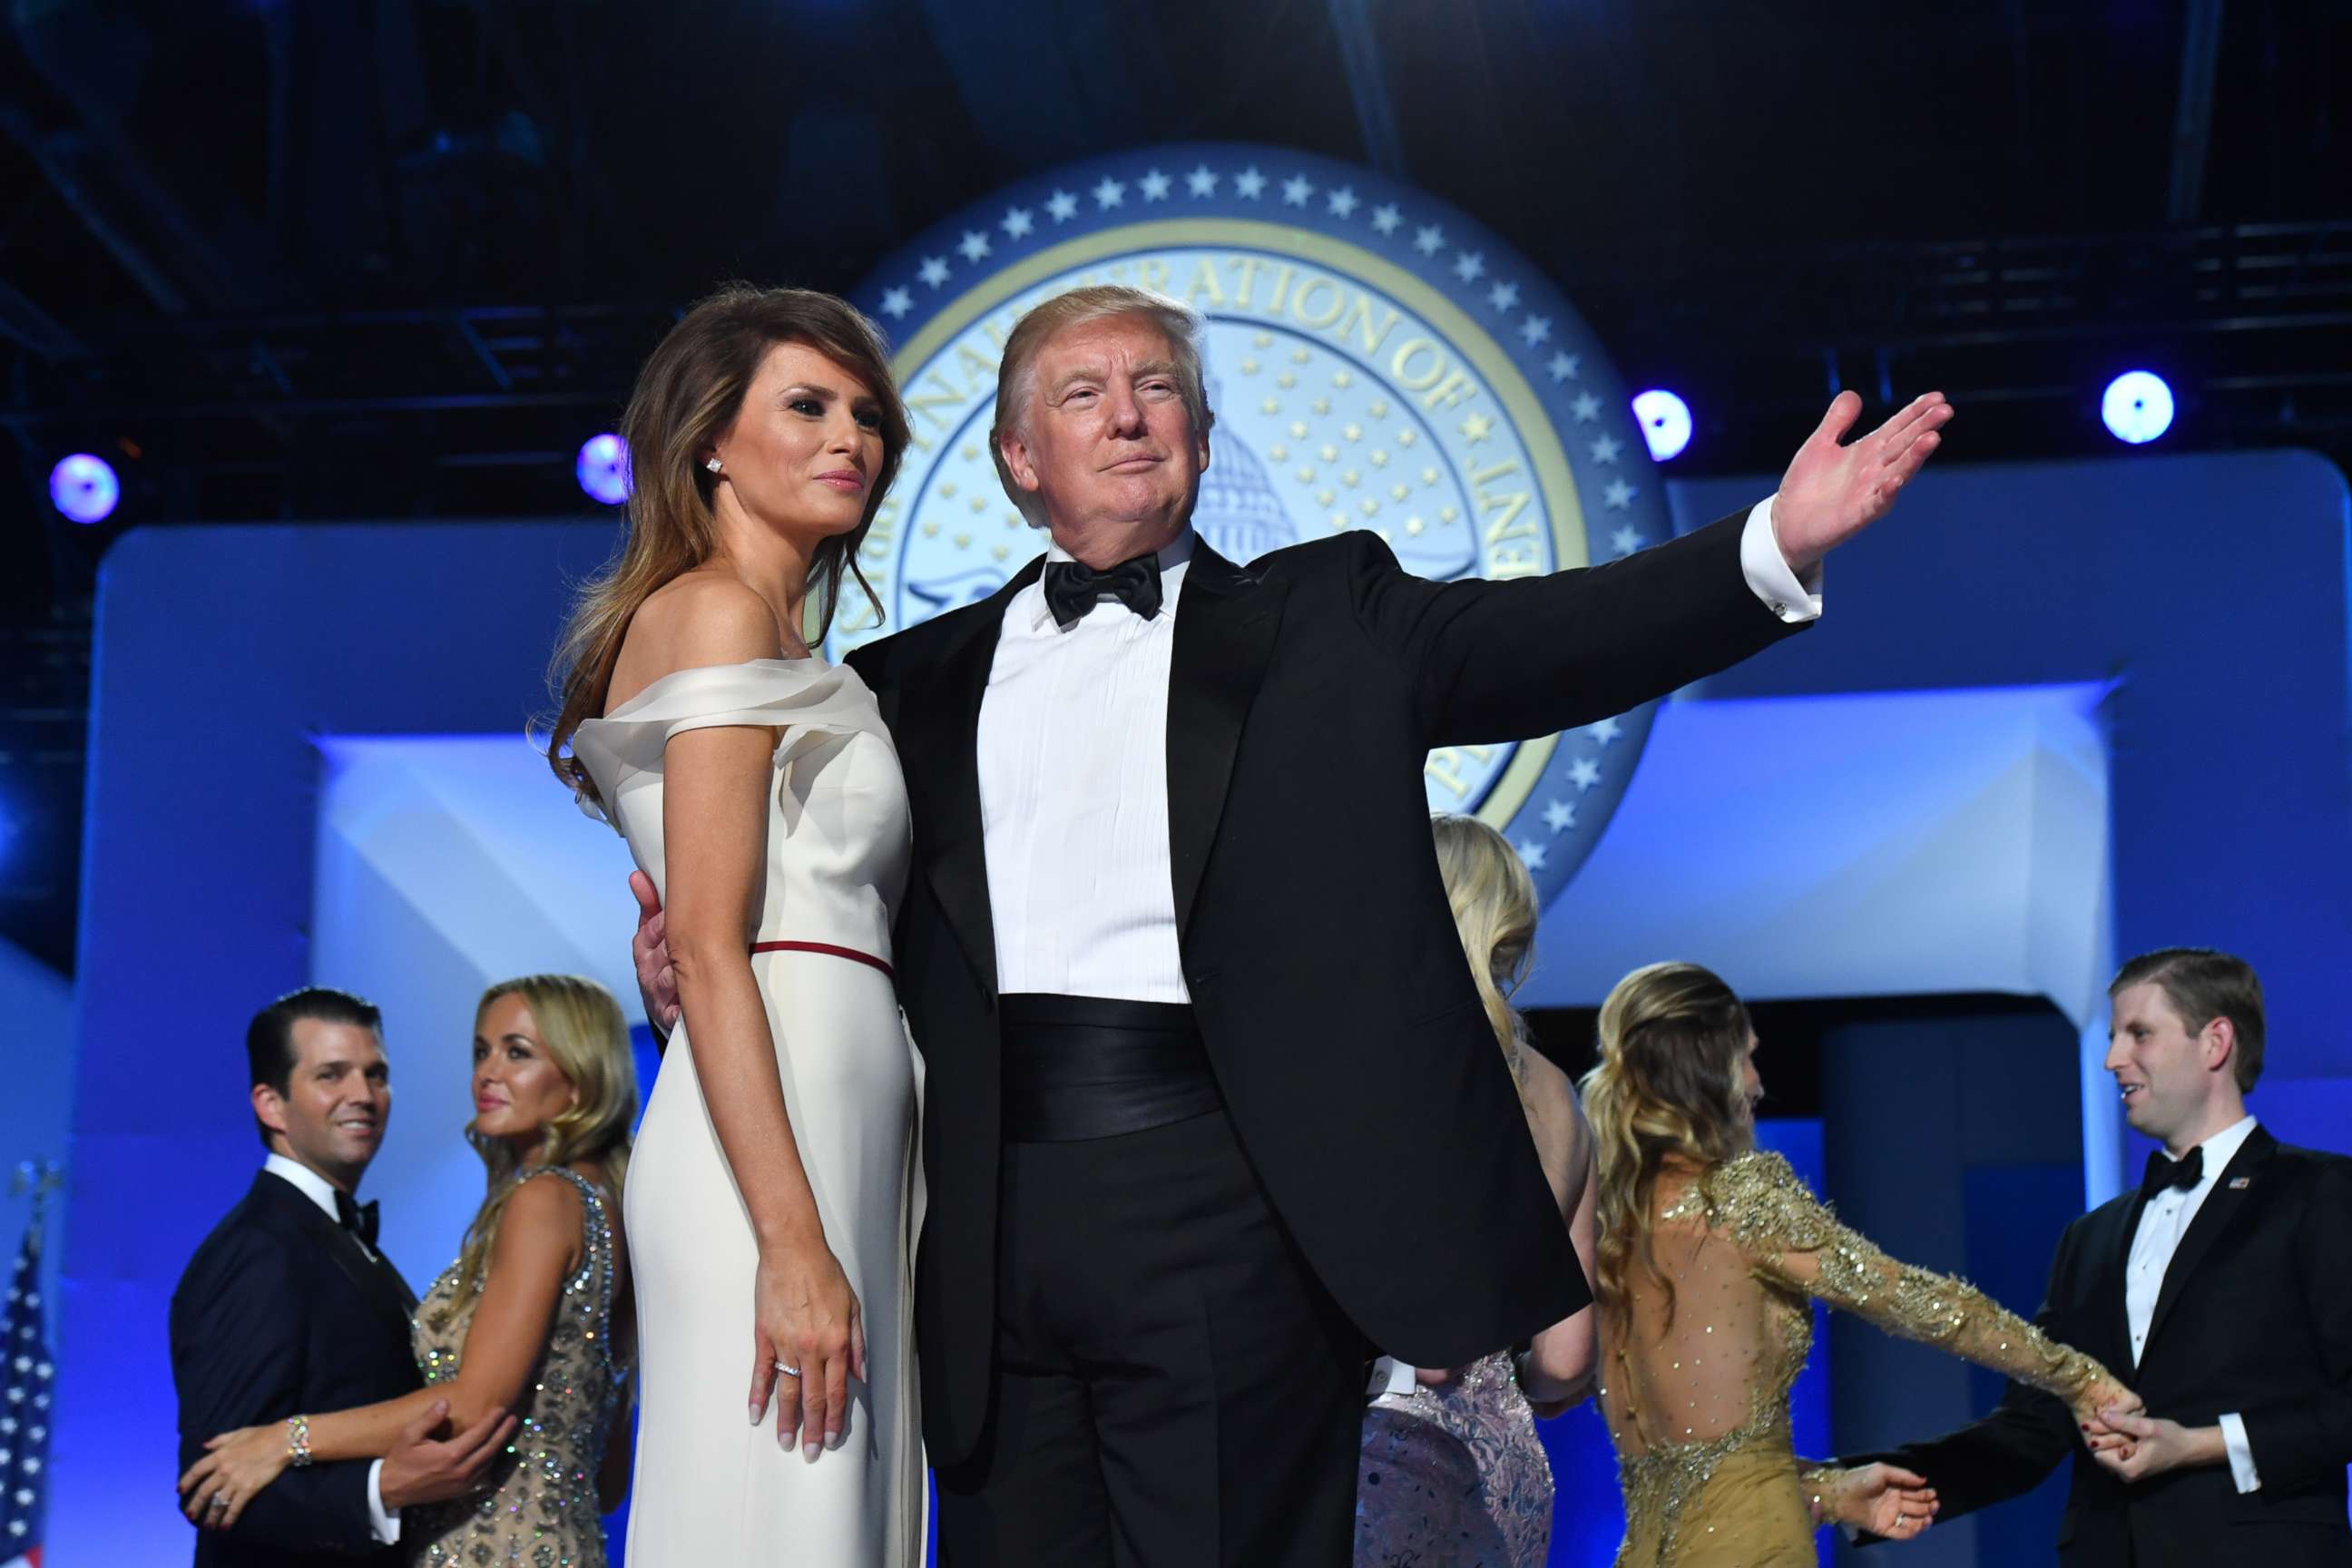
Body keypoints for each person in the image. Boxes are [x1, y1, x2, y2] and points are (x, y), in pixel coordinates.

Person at [636, 281, 1954, 1563]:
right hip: (979, 1214)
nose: (1132, 415)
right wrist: (678, 939)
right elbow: (762, 845)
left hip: (1227, 1203)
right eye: (1086, 393)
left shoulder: (1331, 623)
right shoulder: (901, 684)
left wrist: (1773, 542)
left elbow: (1561, 633)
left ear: (1204, 443)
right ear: (1017, 459)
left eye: (1161, 389)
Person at [554, 285, 926, 1564]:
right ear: (709, 438)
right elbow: (710, 946)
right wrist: (791, 1240)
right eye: (809, 406)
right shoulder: (713, 608)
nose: (852, 441)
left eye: (868, 416)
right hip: (774, 1154)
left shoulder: (796, 647)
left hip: (837, 1115)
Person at [1579, 961, 2135, 1565]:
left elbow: (1700, 1471)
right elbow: (1916, 1301)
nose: (1757, 1081)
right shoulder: (1740, 1198)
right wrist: (2076, 1379)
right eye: (1747, 1055)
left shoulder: (1605, 1234)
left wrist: (1832, 1494)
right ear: (1711, 1069)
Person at [1847, 948, 2352, 1566]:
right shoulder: (2089, 1239)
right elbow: (2032, 1428)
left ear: (2215, 1041)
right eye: (2114, 1035)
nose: (2113, 1059)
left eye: (2139, 1033)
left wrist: (2197, 1445)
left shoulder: (2321, 1194)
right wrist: (1858, 1486)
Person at [179, 975, 637, 1567]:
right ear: (271, 1104)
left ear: (582, 1076)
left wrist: (286, 1439)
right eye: (481, 1052)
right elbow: (606, 1481)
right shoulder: (256, 1249)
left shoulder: (544, 1202)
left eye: (516, 1052)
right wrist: (384, 1488)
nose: (487, 1074)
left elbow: (473, 1405)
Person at [1354, 813, 1599, 1568]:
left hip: (1385, 1454)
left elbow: (1426, 1354)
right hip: (1509, 1472)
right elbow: (1566, 1359)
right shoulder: (1560, 1097)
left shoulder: (1381, 1073)